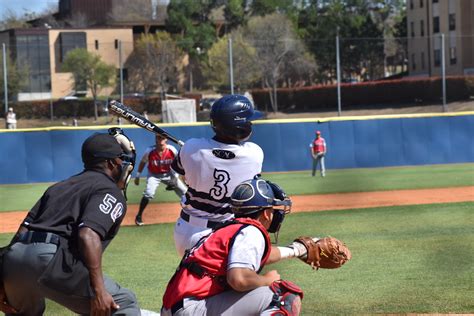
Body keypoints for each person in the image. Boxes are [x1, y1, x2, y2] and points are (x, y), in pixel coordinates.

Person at [0, 129, 141, 315]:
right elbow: (87, 234)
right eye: (120, 161)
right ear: (111, 162)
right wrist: (98, 291)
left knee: (25, 312)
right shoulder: (109, 190)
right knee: (124, 302)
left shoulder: (57, 187)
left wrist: (4, 279)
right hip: (51, 260)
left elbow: (22, 233)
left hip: (14, 260)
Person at [161, 176, 308, 316]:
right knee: (284, 296)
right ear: (266, 214)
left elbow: (262, 254)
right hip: (192, 308)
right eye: (273, 210)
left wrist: (297, 250)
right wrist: (266, 280)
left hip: (177, 306)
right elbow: (239, 279)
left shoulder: (230, 229)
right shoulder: (251, 231)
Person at [171, 94, 264, 256]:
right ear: (239, 127)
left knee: (190, 278)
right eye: (248, 121)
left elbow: (180, 172)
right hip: (223, 233)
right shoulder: (254, 153)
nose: (250, 124)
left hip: (185, 232)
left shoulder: (191, 147)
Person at [134, 134, 187, 226]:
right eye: (158, 137)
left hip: (169, 174)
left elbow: (179, 162)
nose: (161, 139)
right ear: (155, 139)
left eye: (162, 137)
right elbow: (143, 162)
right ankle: (139, 216)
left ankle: (190, 215)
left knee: (185, 192)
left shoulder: (171, 149)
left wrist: (176, 176)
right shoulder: (150, 150)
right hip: (154, 175)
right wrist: (138, 175)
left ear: (166, 139)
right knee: (149, 193)